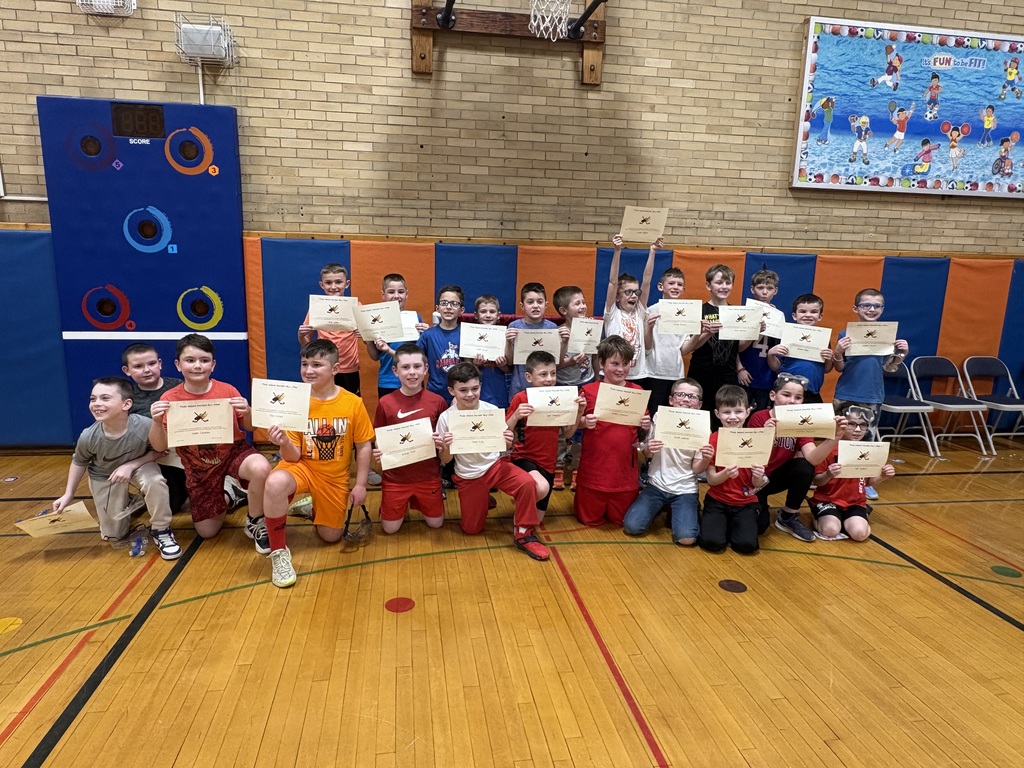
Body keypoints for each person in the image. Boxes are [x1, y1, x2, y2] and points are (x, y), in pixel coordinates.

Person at [262, 340, 375, 587]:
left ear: (335, 369)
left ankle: (309, 505)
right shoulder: (294, 401)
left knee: (331, 537)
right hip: (303, 467)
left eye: (317, 364)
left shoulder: (352, 403)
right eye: (304, 364)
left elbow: (364, 445)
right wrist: (281, 442)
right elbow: (292, 457)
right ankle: (279, 552)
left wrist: (360, 485)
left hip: (334, 477)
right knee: (275, 481)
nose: (309, 370)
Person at [148, 333, 272, 552]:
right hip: (198, 465)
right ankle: (230, 494)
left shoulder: (228, 390)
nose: (197, 366)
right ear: (178, 365)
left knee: (261, 467)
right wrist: (156, 422)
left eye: (204, 360)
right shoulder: (169, 398)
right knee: (207, 532)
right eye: (190, 360)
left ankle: (254, 520)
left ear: (212, 365)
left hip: (233, 451)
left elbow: (250, 427)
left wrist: (248, 410)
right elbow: (159, 447)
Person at [53, 377, 180, 560]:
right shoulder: (89, 436)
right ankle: (129, 502)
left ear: (126, 404)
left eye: (105, 398)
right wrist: (68, 494)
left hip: (140, 465)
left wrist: (130, 465)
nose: (96, 404)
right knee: (112, 535)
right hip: (105, 475)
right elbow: (79, 462)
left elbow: (159, 451)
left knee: (155, 481)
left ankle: (161, 530)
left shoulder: (144, 425)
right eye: (93, 399)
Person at [434, 362, 550, 561]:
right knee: (472, 530)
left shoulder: (491, 410)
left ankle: (524, 533)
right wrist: (446, 448)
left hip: (495, 467)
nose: (470, 394)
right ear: (451, 391)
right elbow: (445, 460)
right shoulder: (446, 418)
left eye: (475, 388)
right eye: (463, 390)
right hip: (469, 475)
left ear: (480, 385)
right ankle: (483, 499)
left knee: (527, 483)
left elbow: (503, 449)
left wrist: (507, 441)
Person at [747, 373, 846, 542]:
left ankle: (788, 516)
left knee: (804, 467)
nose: (792, 401)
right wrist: (767, 434)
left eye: (798, 397)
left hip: (776, 477)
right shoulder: (760, 417)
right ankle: (757, 506)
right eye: (786, 395)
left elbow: (813, 458)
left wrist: (834, 437)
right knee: (759, 528)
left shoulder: (800, 423)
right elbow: (752, 456)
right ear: (773, 395)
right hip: (755, 479)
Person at [832, 288, 909, 500]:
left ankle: (864, 481)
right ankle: (834, 478)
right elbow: (839, 368)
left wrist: (901, 354)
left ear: (882, 309)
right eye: (866, 305)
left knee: (866, 441)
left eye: (877, 306)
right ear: (856, 308)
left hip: (873, 396)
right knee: (840, 438)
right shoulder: (844, 334)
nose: (872, 309)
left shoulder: (887, 335)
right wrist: (838, 351)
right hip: (846, 393)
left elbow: (889, 368)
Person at [622, 378, 714, 546]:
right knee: (632, 527)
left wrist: (706, 459)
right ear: (671, 400)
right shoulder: (659, 417)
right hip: (656, 486)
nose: (686, 399)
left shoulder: (703, 426)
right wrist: (649, 448)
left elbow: (696, 468)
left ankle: (686, 508)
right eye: (681, 394)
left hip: (685, 489)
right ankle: (662, 507)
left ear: (699, 404)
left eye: (692, 397)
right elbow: (647, 454)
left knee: (687, 539)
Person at [574, 336, 652, 527]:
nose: (620, 369)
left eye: (625, 364)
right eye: (615, 363)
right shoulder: (588, 390)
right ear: (601, 363)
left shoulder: (637, 391)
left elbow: (642, 437)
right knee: (589, 521)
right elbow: (572, 427)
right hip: (594, 473)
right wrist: (584, 421)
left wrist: (646, 426)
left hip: (624, 475)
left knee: (621, 522)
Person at [372, 343, 449, 534]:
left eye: (417, 366)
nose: (412, 372)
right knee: (390, 530)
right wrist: (379, 451)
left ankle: (418, 501)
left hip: (428, 477)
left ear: (426, 369)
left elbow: (446, 452)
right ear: (395, 371)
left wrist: (443, 445)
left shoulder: (438, 402)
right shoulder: (385, 402)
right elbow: (379, 437)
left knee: (436, 524)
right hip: (395, 479)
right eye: (405, 367)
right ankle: (390, 506)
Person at [506, 351, 586, 521]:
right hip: (523, 457)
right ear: (529, 377)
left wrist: (579, 411)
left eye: (553, 373)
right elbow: (504, 432)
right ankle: (521, 528)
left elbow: (568, 432)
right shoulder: (520, 398)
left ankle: (524, 501)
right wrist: (515, 416)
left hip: (548, 463)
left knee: (538, 519)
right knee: (540, 489)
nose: (549, 379)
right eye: (543, 374)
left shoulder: (560, 398)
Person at [810, 404, 895, 542]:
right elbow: (816, 481)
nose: (857, 429)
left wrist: (883, 476)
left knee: (860, 534)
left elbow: (866, 482)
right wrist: (828, 474)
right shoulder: (828, 448)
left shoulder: (867, 450)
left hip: (855, 502)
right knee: (830, 530)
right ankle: (816, 514)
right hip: (827, 500)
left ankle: (858, 515)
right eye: (852, 424)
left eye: (863, 425)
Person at [121, 343, 188, 514]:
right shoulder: (127, 399)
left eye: (151, 364)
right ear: (127, 370)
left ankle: (229, 488)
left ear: (160, 363)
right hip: (152, 457)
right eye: (138, 366)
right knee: (170, 506)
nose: (147, 370)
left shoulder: (179, 386)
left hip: (181, 454)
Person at [680, 264, 746, 429]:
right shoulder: (699, 311)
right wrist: (706, 333)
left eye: (728, 283)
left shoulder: (736, 312)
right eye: (719, 282)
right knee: (699, 419)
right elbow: (691, 347)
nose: (724, 287)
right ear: (708, 285)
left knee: (724, 419)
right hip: (702, 372)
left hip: (727, 375)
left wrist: (756, 333)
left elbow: (738, 347)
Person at [698, 385, 762, 554]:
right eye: (726, 412)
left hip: (745, 502)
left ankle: (735, 524)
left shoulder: (756, 439)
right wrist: (725, 474)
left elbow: (757, 484)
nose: (733, 417)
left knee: (746, 546)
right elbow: (711, 480)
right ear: (717, 414)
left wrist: (758, 476)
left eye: (738, 411)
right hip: (717, 500)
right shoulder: (713, 439)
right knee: (711, 543)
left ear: (747, 412)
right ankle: (720, 523)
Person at [552, 284, 596, 490]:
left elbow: (595, 356)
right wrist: (565, 349)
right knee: (562, 430)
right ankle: (558, 467)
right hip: (564, 386)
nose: (583, 306)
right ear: (563, 311)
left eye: (584, 302)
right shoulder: (558, 332)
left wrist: (597, 382)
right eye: (577, 303)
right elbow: (554, 364)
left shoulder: (591, 327)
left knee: (582, 430)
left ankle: (578, 469)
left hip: (586, 383)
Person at [603, 234, 659, 389]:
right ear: (617, 296)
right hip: (613, 374)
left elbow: (647, 281)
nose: (634, 295)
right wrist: (617, 250)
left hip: (638, 374)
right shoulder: (612, 313)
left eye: (636, 292)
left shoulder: (640, 312)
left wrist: (652, 252)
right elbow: (613, 281)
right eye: (628, 292)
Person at [298, 263, 361, 395]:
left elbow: (369, 340)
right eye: (328, 283)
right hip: (323, 367)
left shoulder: (356, 306)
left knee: (349, 405)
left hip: (349, 369)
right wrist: (301, 336)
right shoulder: (317, 307)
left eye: (338, 282)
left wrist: (363, 334)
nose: (333, 287)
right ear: (322, 285)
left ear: (347, 283)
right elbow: (307, 345)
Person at [365, 273, 430, 400]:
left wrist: (428, 333)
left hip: (413, 378)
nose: (396, 296)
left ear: (407, 294)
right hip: (387, 380)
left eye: (401, 292)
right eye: (391, 292)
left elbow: (421, 353)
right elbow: (374, 356)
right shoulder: (374, 320)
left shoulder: (416, 318)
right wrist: (368, 339)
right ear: (383, 295)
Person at [766, 293, 834, 404]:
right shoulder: (786, 335)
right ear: (794, 315)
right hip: (787, 392)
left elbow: (826, 369)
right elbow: (776, 367)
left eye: (813, 312)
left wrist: (829, 358)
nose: (808, 315)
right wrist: (771, 354)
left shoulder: (823, 338)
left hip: (812, 392)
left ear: (820, 316)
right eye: (803, 311)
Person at [506, 282, 563, 399]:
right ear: (522, 306)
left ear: (546, 304)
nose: (535, 306)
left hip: (545, 388)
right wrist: (508, 342)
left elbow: (557, 362)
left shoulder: (552, 328)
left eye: (540, 302)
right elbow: (510, 362)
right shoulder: (514, 326)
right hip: (520, 386)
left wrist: (565, 342)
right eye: (530, 302)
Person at [646, 266, 691, 416]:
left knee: (673, 417)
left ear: (683, 289)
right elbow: (646, 346)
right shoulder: (650, 311)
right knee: (653, 415)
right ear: (661, 286)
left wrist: (699, 333)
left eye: (679, 284)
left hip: (676, 375)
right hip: (653, 373)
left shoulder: (687, 314)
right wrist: (649, 328)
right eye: (671, 283)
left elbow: (683, 350)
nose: (675, 287)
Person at [738, 268, 780, 412]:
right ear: (752, 289)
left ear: (775, 291)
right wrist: (739, 368)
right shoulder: (743, 313)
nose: (764, 292)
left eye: (769, 288)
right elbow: (733, 348)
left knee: (760, 414)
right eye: (760, 287)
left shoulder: (778, 317)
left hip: (766, 375)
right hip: (745, 372)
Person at [417, 284, 464, 405]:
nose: (449, 307)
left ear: (461, 310)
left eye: (454, 304)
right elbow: (413, 358)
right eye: (444, 303)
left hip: (461, 394)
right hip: (435, 394)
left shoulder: (466, 334)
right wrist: (388, 350)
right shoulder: (428, 335)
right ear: (437, 308)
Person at [472, 294, 511, 408]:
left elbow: (510, 369)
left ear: (498, 315)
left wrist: (502, 365)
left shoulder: (505, 335)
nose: (488, 315)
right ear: (476, 315)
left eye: (492, 312)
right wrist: (476, 365)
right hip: (478, 389)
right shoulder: (469, 335)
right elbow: (467, 365)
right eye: (483, 311)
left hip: (499, 389)